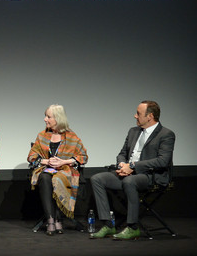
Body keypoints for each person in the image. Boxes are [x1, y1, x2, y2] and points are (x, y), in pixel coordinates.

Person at [90, 100, 175, 240]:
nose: (135, 116)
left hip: (151, 176)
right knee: (97, 179)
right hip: (127, 173)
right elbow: (122, 153)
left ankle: (132, 227)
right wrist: (122, 165)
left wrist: (133, 166)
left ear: (150, 116)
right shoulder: (133, 131)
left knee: (130, 181)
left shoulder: (166, 134)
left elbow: (163, 161)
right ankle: (108, 224)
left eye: (138, 113)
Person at [27, 104, 88, 235]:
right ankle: (51, 220)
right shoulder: (42, 136)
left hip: (65, 171)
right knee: (44, 177)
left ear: (57, 119)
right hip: (47, 170)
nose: (45, 119)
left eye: (48, 117)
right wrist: (46, 161)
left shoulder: (71, 136)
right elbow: (31, 156)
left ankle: (57, 218)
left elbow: (83, 157)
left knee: (58, 178)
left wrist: (63, 161)